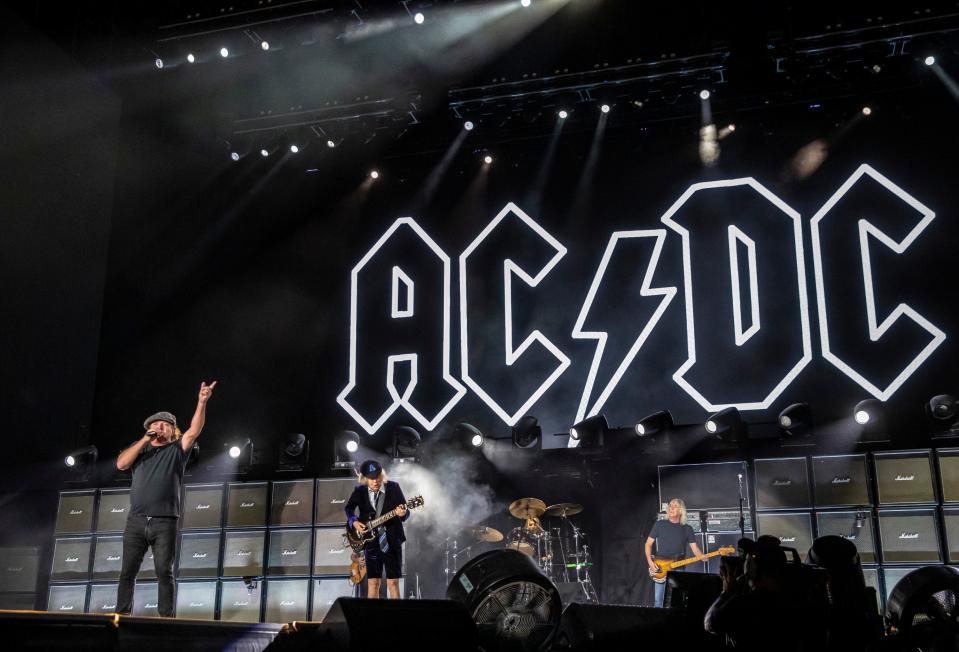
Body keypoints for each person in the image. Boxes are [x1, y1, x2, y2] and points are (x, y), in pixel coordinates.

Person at [115, 381, 217, 616]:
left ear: (173, 430)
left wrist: (202, 401)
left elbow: (194, 431)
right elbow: (121, 464)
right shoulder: (139, 449)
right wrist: (143, 440)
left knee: (164, 570)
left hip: (165, 521)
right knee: (127, 571)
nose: (160, 428)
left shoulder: (177, 450)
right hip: (136, 520)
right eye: (155, 425)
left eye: (165, 425)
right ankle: (121, 615)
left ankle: (165, 618)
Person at [344, 460, 409, 599]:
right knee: (373, 583)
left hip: (391, 540)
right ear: (364, 478)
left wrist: (403, 513)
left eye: (378, 477)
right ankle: (372, 619)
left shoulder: (393, 487)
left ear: (382, 475)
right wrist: (354, 522)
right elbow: (349, 508)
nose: (375, 481)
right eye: (371, 478)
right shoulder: (359, 491)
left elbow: (405, 512)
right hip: (370, 543)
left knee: (393, 583)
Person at [645, 497, 705, 607]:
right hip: (660, 566)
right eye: (670, 505)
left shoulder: (687, 529)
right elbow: (648, 544)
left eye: (675, 506)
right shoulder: (660, 524)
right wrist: (650, 562)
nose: (671, 508)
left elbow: (695, 549)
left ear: (681, 510)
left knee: (678, 600)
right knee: (658, 600)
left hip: (678, 566)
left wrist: (703, 556)